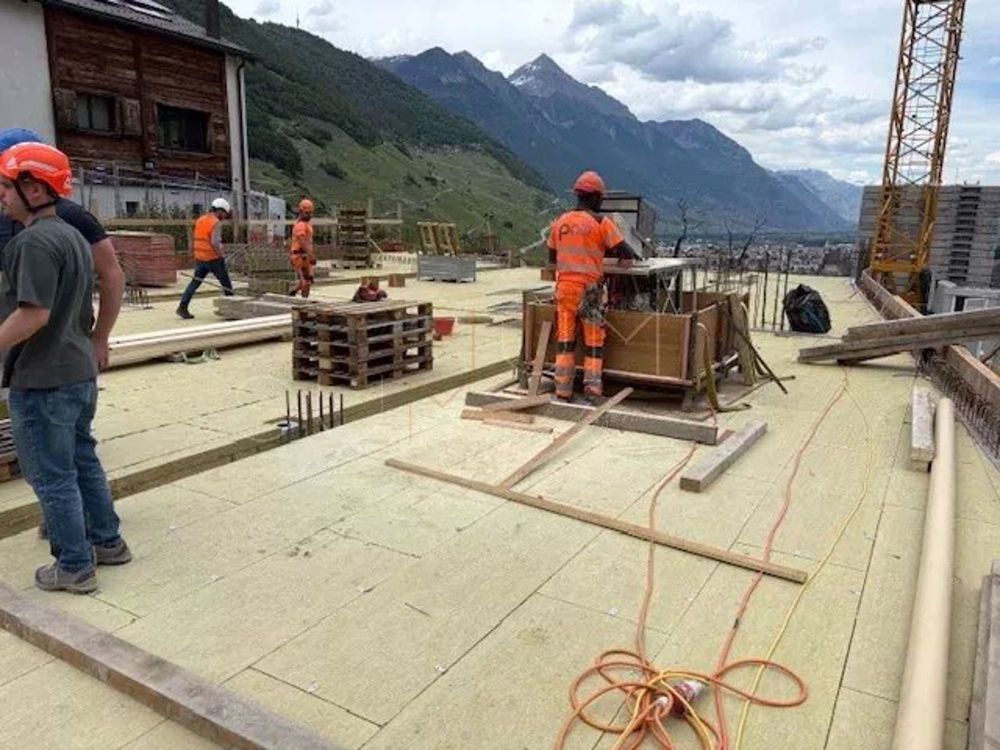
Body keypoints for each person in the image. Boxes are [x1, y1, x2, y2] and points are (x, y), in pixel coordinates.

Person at [0, 141, 130, 594]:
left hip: (43, 378)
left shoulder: (32, 243)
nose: (1, 196)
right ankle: (108, 542)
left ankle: (74, 566)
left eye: (5, 186)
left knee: (51, 477)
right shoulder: (72, 234)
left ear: (34, 191)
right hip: (76, 370)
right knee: (81, 460)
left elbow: (33, 314)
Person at [0, 128, 124, 370]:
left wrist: (100, 337)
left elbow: (112, 275)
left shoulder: (69, 217)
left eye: (7, 181)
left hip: (54, 357)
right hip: (11, 345)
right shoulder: (8, 214)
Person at [546, 170, 638, 403]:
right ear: (597, 197)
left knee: (565, 341)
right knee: (594, 342)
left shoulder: (560, 222)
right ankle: (592, 390)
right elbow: (626, 252)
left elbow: (551, 258)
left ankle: (563, 390)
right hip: (590, 291)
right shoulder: (601, 222)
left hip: (565, 289)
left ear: (577, 195)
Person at [176, 198, 234, 319]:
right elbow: (215, 242)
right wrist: (221, 255)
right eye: (224, 213)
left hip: (200, 258)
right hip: (213, 258)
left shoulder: (201, 219)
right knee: (226, 284)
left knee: (195, 282)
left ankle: (182, 307)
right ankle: (232, 309)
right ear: (220, 210)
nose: (224, 216)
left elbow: (196, 238)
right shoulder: (215, 222)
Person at [289, 199, 316, 298]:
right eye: (306, 213)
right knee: (306, 282)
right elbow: (302, 241)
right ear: (301, 212)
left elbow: (308, 242)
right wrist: (310, 254)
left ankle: (292, 293)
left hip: (304, 255)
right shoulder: (301, 225)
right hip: (300, 256)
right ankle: (304, 304)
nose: (309, 215)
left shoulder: (307, 224)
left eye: (310, 213)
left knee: (306, 280)